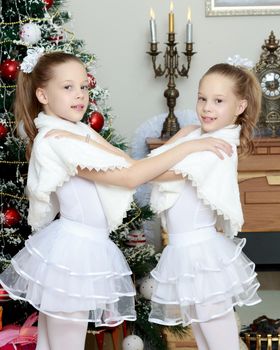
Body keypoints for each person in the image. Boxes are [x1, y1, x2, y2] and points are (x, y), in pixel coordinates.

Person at [0, 50, 233, 350]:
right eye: (68, 87)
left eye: (84, 87)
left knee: (53, 343)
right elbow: (130, 177)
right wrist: (193, 145)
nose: (80, 95)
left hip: (84, 246)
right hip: (72, 252)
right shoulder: (57, 140)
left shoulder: (77, 130)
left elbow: (127, 162)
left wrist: (185, 136)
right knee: (63, 344)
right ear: (42, 94)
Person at [146, 63, 262, 350]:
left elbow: (151, 171)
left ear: (240, 106)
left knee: (221, 341)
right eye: (202, 98)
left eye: (219, 101)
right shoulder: (191, 134)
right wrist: (186, 145)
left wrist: (184, 149)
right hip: (182, 251)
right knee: (203, 336)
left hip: (202, 255)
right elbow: (152, 160)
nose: (207, 108)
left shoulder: (219, 146)